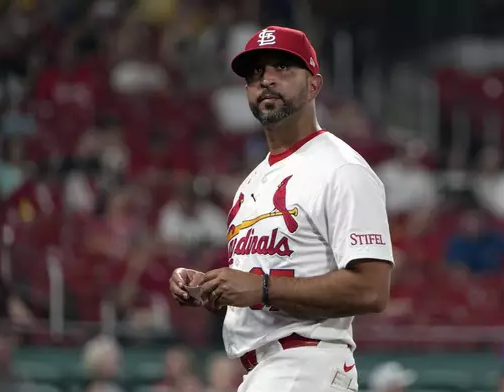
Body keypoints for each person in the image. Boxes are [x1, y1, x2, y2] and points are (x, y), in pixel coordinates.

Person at [169, 26, 394, 391]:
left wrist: (261, 288)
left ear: (314, 85)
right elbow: (260, 291)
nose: (267, 80)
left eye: (282, 68)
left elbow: (372, 290)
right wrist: (214, 290)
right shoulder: (253, 183)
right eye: (255, 73)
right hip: (267, 368)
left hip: (305, 362)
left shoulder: (341, 168)